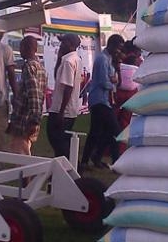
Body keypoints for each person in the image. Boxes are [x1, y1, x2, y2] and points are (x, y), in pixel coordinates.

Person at [80, 34, 125, 170]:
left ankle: (89, 159)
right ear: (112, 45)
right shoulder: (102, 59)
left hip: (105, 100)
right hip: (99, 100)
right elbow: (103, 82)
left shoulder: (110, 59)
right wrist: (113, 82)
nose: (119, 51)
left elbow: (116, 81)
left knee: (98, 131)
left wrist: (116, 75)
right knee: (115, 130)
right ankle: (116, 163)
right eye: (118, 48)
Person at [7, 35, 46, 155]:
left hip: (25, 118)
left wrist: (34, 120)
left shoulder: (29, 66)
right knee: (24, 147)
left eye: (21, 48)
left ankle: (27, 174)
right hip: (29, 116)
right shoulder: (40, 67)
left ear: (26, 48)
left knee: (20, 150)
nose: (20, 51)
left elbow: (34, 94)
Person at [47, 33, 82, 160]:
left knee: (56, 139)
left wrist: (61, 111)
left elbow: (68, 87)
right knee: (61, 140)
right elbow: (58, 77)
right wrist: (58, 58)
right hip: (69, 108)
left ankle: (71, 166)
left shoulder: (68, 61)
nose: (61, 45)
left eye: (64, 42)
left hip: (62, 109)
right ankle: (63, 167)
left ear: (71, 45)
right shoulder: (74, 59)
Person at [114, 39, 143, 154]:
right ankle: (120, 149)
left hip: (118, 92)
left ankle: (108, 148)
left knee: (113, 121)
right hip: (131, 93)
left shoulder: (120, 57)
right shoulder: (138, 60)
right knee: (125, 122)